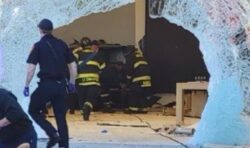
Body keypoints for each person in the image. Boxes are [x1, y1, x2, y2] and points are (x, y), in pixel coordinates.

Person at [23, 18, 77, 148]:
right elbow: (73, 65)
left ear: (40, 30)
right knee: (61, 117)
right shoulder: (62, 44)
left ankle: (52, 132)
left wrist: (26, 85)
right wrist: (72, 83)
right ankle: (64, 145)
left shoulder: (38, 46)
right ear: (52, 30)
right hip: (61, 85)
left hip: (46, 85)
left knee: (33, 109)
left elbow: (31, 68)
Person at [76, 39, 106, 120]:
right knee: (91, 98)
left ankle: (84, 111)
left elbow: (70, 59)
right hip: (94, 81)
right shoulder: (96, 55)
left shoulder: (78, 54)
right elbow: (103, 67)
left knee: (82, 97)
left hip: (81, 82)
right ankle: (87, 107)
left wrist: (78, 49)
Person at [124, 48, 160, 113]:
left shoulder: (131, 57)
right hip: (147, 79)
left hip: (138, 79)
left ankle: (133, 109)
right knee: (143, 94)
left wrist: (128, 83)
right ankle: (144, 109)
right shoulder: (141, 57)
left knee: (134, 94)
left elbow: (129, 71)